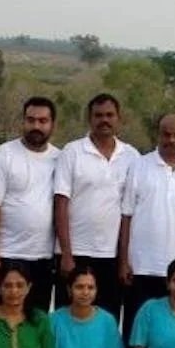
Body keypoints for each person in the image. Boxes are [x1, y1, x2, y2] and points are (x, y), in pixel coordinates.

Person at [54, 93, 140, 315]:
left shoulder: (131, 156)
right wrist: (66, 254)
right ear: (89, 118)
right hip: (76, 252)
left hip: (111, 255)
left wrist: (124, 260)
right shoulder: (72, 152)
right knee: (70, 317)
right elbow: (61, 203)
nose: (104, 120)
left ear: (119, 118)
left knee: (107, 317)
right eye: (99, 115)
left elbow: (128, 212)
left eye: (110, 115)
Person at [119, 114, 175, 336]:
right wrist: (124, 261)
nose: (171, 140)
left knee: (172, 333)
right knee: (136, 332)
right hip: (141, 267)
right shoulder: (139, 165)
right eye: (166, 134)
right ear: (158, 134)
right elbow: (126, 216)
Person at [0, 97, 59, 313]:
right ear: (22, 121)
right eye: (31, 120)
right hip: (8, 254)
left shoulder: (60, 158)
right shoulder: (3, 155)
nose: (36, 126)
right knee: (2, 320)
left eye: (43, 121)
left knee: (36, 319)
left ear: (53, 124)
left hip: (43, 258)